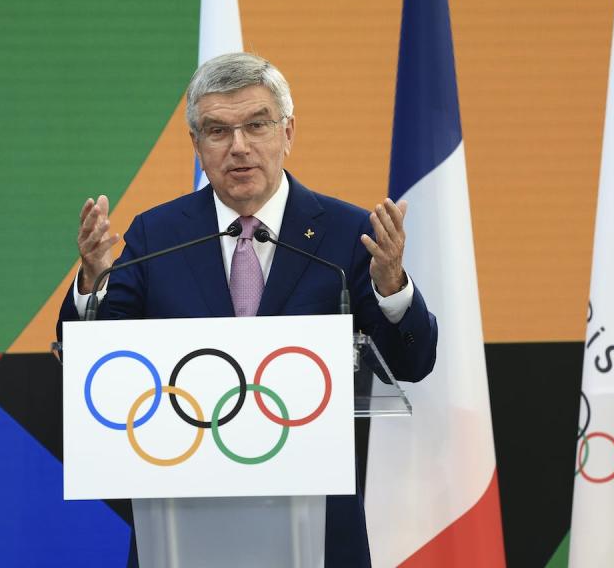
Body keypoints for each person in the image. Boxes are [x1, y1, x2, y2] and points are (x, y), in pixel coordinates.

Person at [57, 52, 437, 567]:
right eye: (217, 131)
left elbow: (411, 363)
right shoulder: (156, 235)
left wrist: (391, 288)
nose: (238, 147)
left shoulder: (348, 234)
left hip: (316, 528)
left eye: (256, 125)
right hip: (182, 522)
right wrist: (92, 282)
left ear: (288, 132)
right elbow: (93, 365)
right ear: (196, 145)